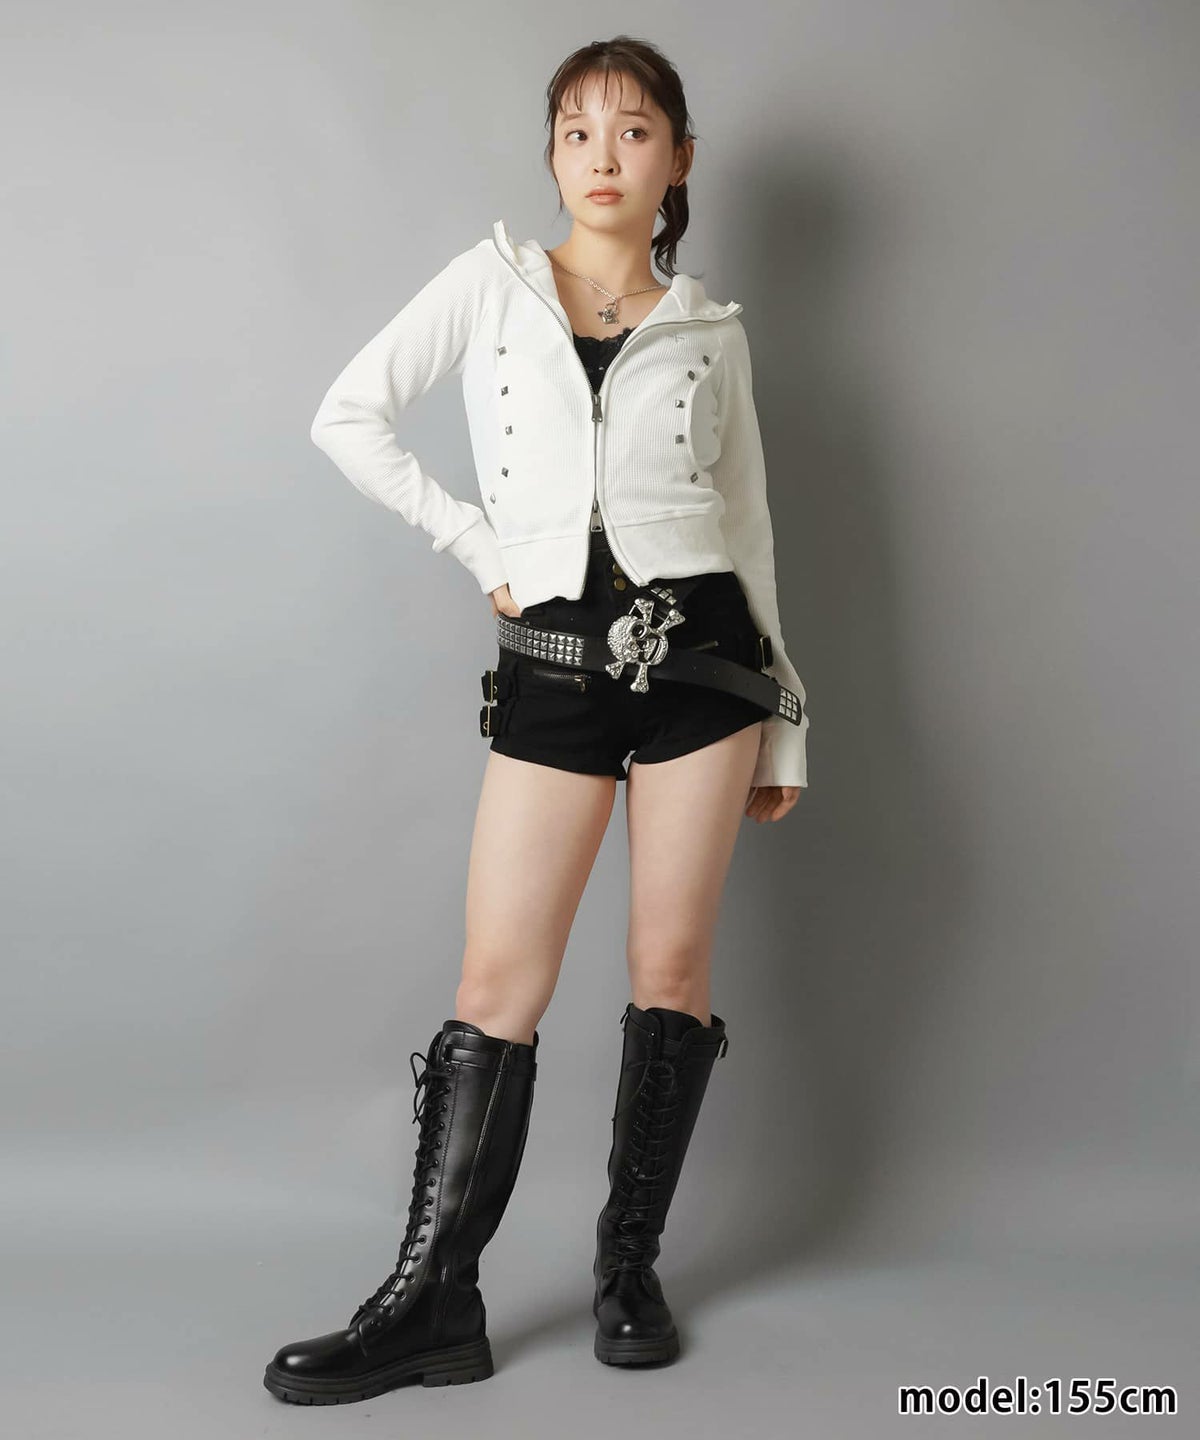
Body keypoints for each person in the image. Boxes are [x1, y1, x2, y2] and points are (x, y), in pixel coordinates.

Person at [262, 35, 810, 1405]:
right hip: (554, 668)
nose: (603, 156)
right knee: (497, 985)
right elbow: (348, 416)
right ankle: (433, 1299)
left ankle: (630, 1269)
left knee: (669, 968)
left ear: (679, 159)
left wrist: (787, 724)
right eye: (577, 132)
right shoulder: (490, 287)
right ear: (553, 156)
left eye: (634, 131)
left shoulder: (713, 331)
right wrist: (476, 543)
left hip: (706, 671)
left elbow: (748, 532)